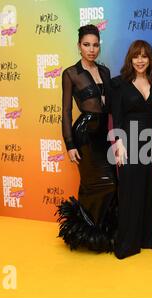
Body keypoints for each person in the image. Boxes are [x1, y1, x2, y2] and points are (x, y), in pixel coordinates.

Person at [56, 24, 117, 252]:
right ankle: (87, 233)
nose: (91, 49)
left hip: (104, 134)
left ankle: (101, 232)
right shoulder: (71, 73)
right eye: (86, 45)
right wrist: (69, 144)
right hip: (84, 135)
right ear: (79, 46)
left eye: (95, 45)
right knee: (94, 184)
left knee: (111, 183)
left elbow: (111, 105)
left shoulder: (105, 72)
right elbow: (65, 111)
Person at [111, 40, 152, 259]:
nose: (140, 60)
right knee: (130, 190)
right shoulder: (120, 84)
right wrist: (119, 144)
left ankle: (146, 238)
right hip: (129, 141)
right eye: (136, 56)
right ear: (130, 59)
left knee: (150, 189)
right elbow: (117, 117)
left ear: (150, 59)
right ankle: (128, 243)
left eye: (144, 56)